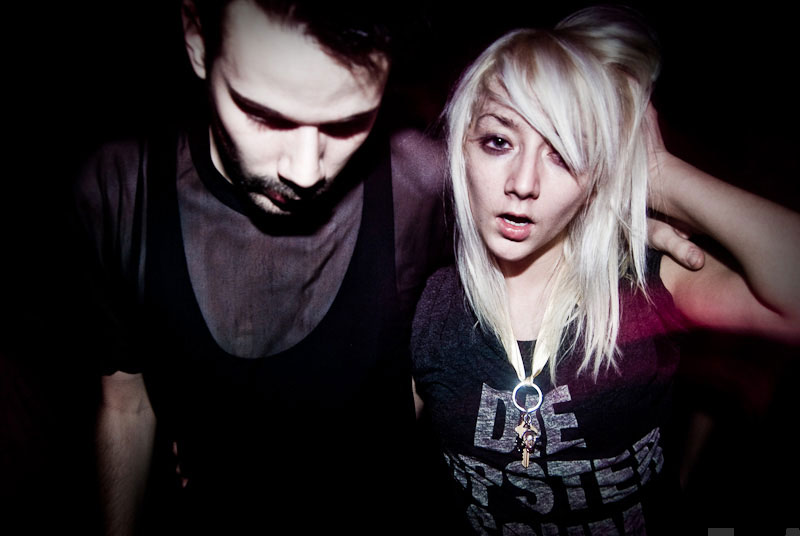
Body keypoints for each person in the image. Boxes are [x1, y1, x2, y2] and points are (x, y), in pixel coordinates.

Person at [71, 1, 697, 534]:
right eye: (263, 115)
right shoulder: (119, 192)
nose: (305, 170)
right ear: (196, 38)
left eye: (348, 122)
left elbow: (534, 211)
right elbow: (126, 406)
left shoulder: (420, 180)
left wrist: (618, 212)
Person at [410, 6, 800, 535]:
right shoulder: (423, 308)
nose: (523, 183)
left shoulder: (644, 280)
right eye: (498, 141)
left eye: (564, 154)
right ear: (461, 149)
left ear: (598, 174)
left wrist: (657, 174)